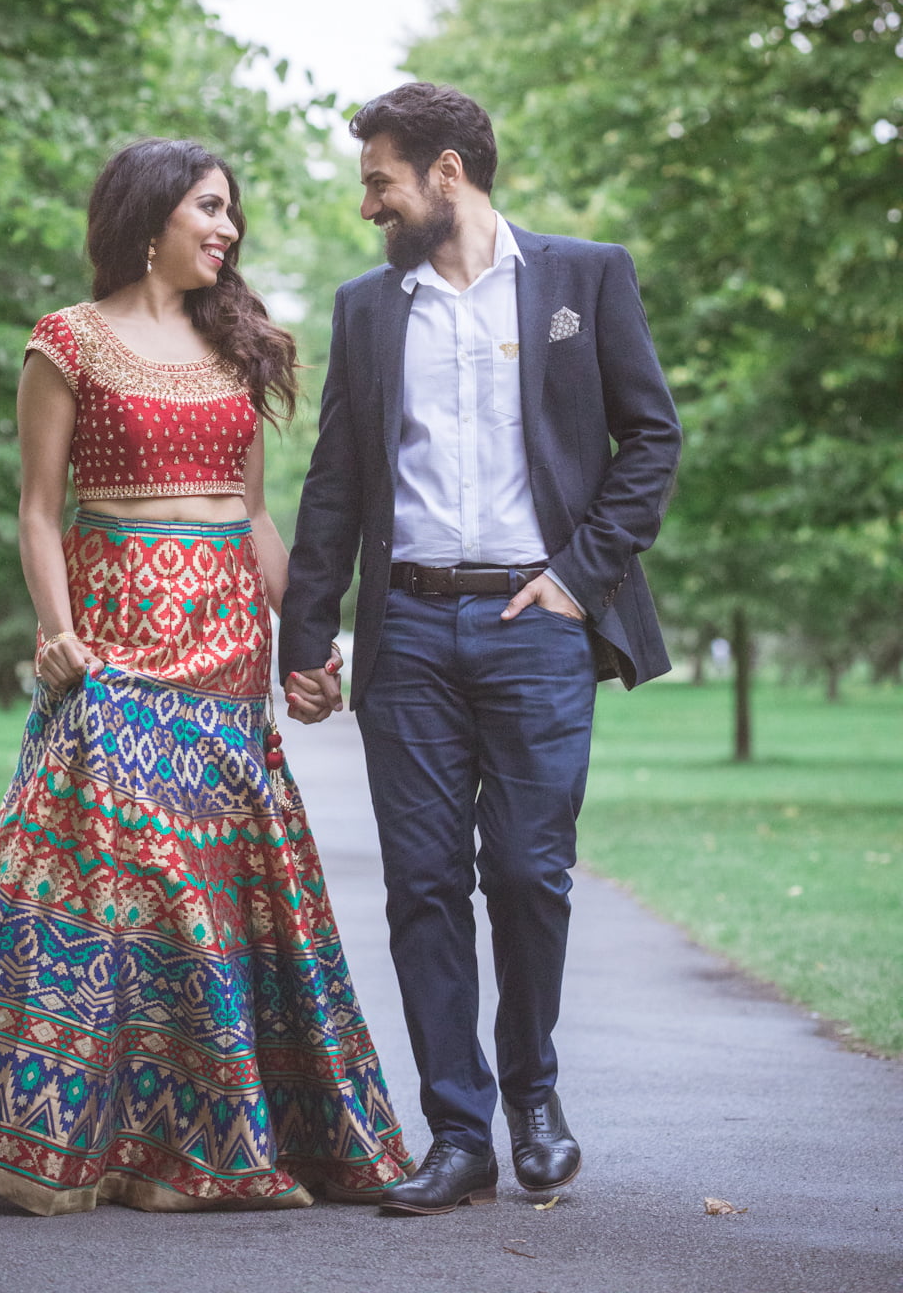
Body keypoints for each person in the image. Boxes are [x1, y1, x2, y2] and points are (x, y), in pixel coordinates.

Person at [0, 138, 412, 1216]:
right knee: (138, 881)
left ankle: (203, 1138)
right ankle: (73, 1127)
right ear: (149, 217)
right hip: (112, 644)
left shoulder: (242, 344)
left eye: (233, 212)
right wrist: (55, 631)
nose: (227, 229)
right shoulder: (69, 343)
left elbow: (251, 513)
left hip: (225, 647)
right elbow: (39, 510)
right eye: (209, 207)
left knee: (221, 880)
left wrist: (306, 643)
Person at [279, 83, 681, 1216]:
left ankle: (536, 1098)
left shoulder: (582, 277)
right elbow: (336, 484)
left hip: (533, 627)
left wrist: (578, 578)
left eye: (381, 181)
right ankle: (457, 1132)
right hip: (404, 632)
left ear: (447, 173)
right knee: (421, 888)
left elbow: (651, 437)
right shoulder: (368, 309)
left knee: (526, 872)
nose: (370, 204)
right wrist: (305, 635)